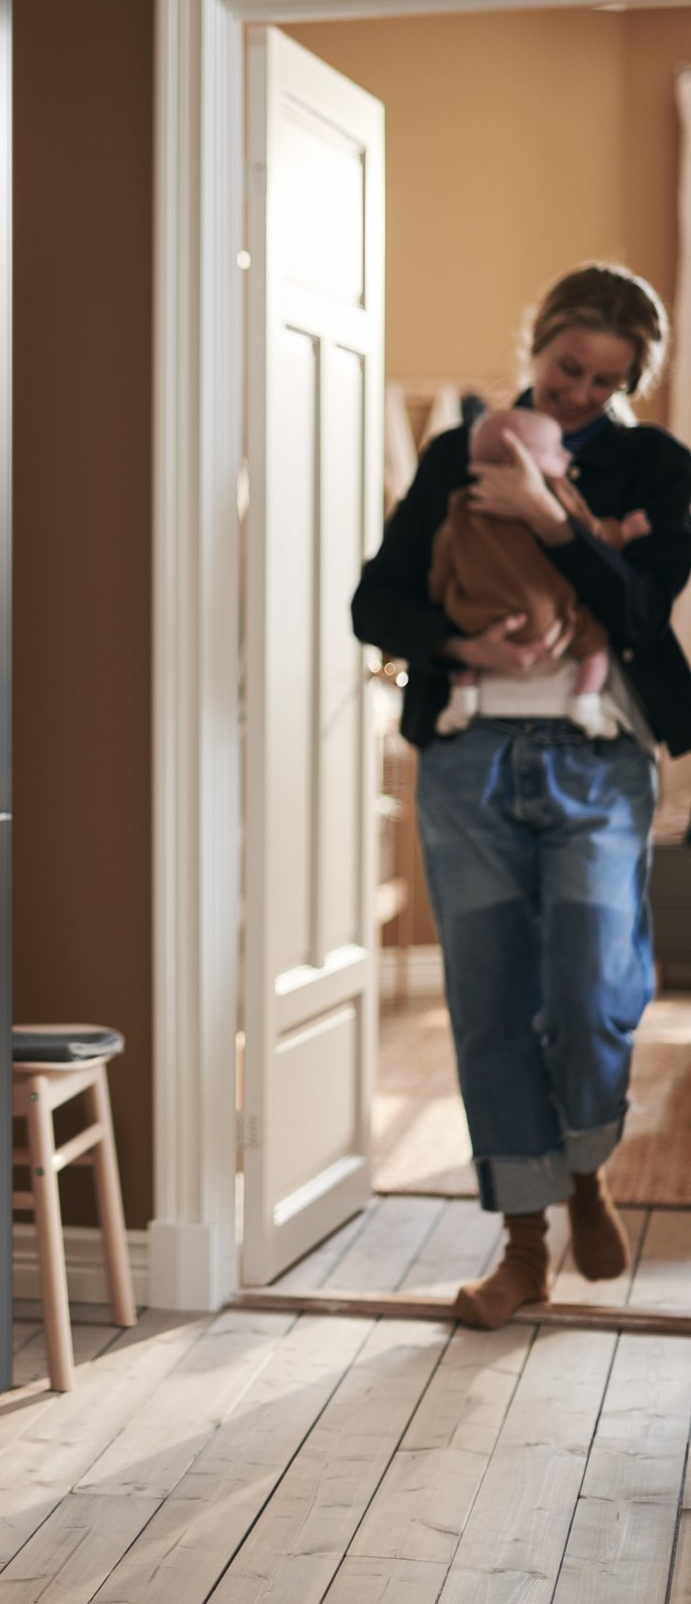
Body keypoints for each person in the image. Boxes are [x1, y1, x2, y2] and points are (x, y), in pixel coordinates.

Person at [352, 263, 691, 1329]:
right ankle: (522, 1244)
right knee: (490, 1004)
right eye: (563, 368)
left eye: (604, 378)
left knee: (592, 989)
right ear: (534, 344)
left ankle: (585, 1166)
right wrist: (458, 642)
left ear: (632, 378)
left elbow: (640, 608)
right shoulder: (458, 450)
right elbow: (377, 598)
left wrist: (549, 520)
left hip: (594, 762)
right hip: (466, 767)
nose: (578, 393)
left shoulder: (652, 465)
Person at [428, 404, 650, 740]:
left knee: (465, 649)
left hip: (479, 618)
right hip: (553, 620)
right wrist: (623, 532)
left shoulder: (459, 509)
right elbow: (591, 535)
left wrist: (443, 596)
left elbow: (441, 562)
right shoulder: (558, 493)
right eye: (554, 450)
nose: (565, 456)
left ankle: (463, 695)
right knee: (594, 647)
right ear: (514, 462)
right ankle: (586, 702)